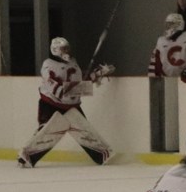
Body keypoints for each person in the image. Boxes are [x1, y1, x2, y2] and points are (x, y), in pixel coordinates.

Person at [17, 36, 114, 167]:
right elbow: (58, 90)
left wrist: (96, 75)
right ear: (55, 50)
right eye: (63, 49)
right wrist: (83, 87)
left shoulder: (73, 62)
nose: (67, 51)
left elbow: (79, 81)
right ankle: (26, 157)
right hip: (51, 104)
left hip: (72, 105)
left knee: (84, 130)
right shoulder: (48, 65)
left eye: (67, 48)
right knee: (46, 131)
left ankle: (102, 154)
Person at [147, 13, 186, 78]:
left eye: (171, 24)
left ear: (179, 24)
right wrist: (153, 78)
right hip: (167, 79)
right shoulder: (161, 41)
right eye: (167, 25)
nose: (168, 27)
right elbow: (155, 62)